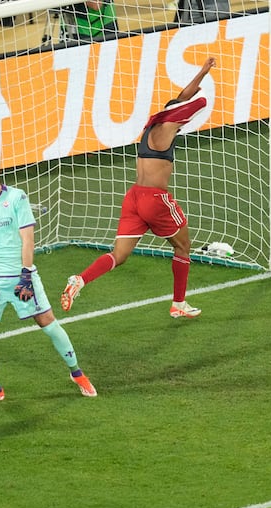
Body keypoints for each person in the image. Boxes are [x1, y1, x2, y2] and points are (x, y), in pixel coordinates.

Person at [61, 57, 216, 319]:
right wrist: (200, 100)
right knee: (183, 245)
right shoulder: (166, 128)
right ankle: (178, 303)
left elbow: (181, 99)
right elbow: (193, 106)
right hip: (155, 199)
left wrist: (202, 73)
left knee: (119, 255)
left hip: (134, 198)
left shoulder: (153, 127)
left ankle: (80, 279)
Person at [0, 155, 96, 404]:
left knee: (48, 324)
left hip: (20, 278)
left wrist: (25, 276)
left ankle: (77, 373)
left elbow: (28, 239)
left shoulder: (16, 198)